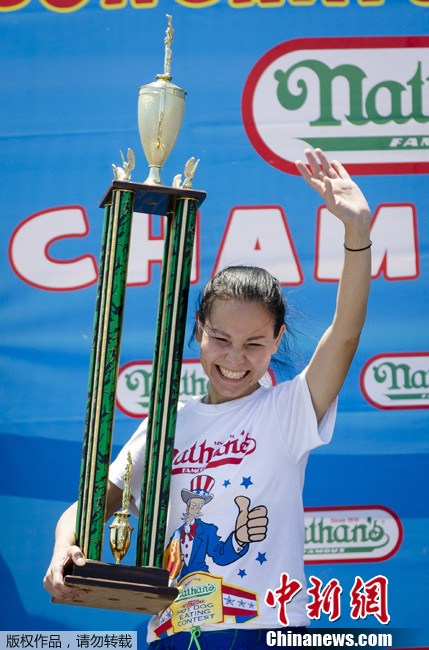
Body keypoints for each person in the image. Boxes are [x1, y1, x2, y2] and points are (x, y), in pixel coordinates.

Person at [44, 149, 372, 648]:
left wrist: (356, 232)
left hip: (265, 630)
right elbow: (90, 506)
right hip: (173, 632)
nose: (235, 358)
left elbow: (345, 333)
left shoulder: (287, 411)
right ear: (198, 331)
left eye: (254, 343)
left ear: (277, 341)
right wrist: (63, 547)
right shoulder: (166, 424)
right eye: (220, 339)